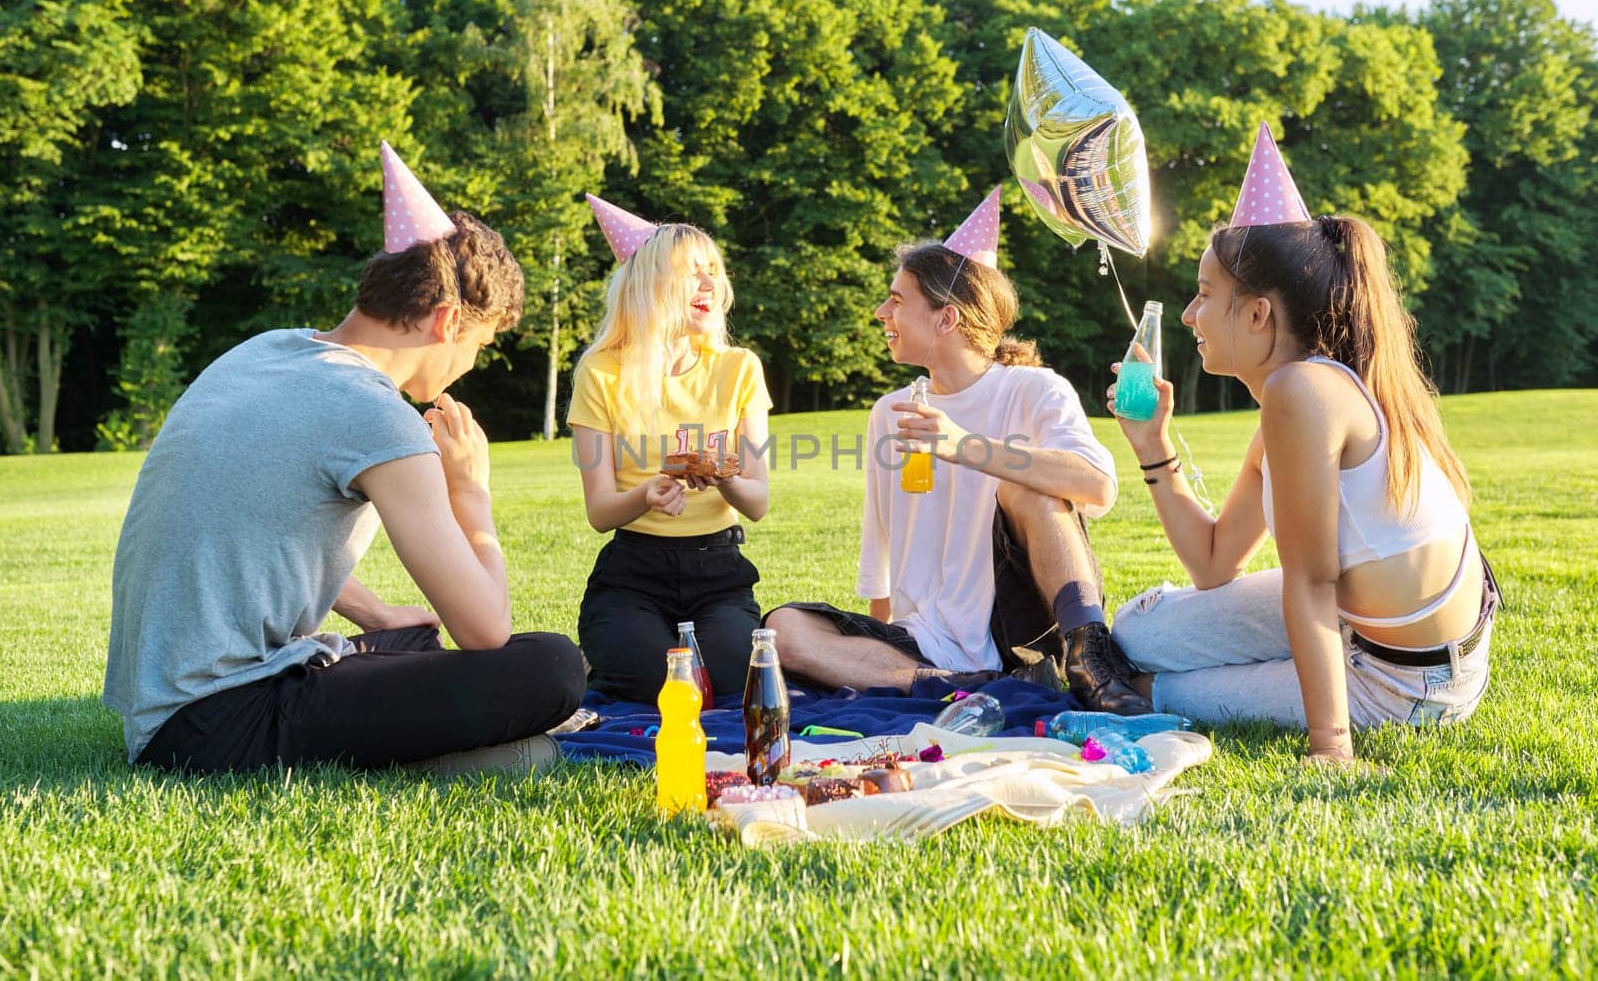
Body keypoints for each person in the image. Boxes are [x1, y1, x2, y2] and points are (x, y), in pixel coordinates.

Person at [103, 141, 586, 775]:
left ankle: (429, 739)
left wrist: (376, 614)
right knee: (550, 666)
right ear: (446, 322)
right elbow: (485, 629)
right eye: (481, 344)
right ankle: (437, 762)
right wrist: (469, 491)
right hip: (218, 722)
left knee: (408, 635)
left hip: (161, 703)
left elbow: (260, 528)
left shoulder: (267, 350)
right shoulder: (376, 412)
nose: (470, 365)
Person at [1104, 124, 1497, 766]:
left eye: (1204, 296)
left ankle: (1308, 696)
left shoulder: (1300, 392)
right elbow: (1212, 564)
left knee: (1145, 687)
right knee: (1136, 631)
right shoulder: (1311, 393)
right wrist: (1152, 444)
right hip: (1384, 637)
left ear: (1258, 314)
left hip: (1406, 685)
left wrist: (1330, 747)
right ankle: (1296, 660)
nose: (1186, 317)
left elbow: (1311, 583)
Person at [766, 187, 1149, 713]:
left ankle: (1089, 658)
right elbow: (883, 548)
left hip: (1020, 629)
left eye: (897, 301)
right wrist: (872, 645)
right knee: (782, 628)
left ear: (947, 319)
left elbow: (1096, 483)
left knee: (1029, 488)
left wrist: (963, 445)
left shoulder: (1034, 389)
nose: (882, 312)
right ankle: (948, 685)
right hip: (926, 641)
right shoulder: (891, 411)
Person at [567, 194, 772, 703]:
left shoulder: (740, 368)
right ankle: (617, 646)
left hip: (720, 571)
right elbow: (599, 512)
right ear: (651, 286)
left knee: (729, 682)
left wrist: (722, 475)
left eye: (713, 271)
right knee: (658, 687)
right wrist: (647, 494)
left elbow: (758, 502)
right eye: (692, 273)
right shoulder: (600, 374)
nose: (710, 285)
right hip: (633, 574)